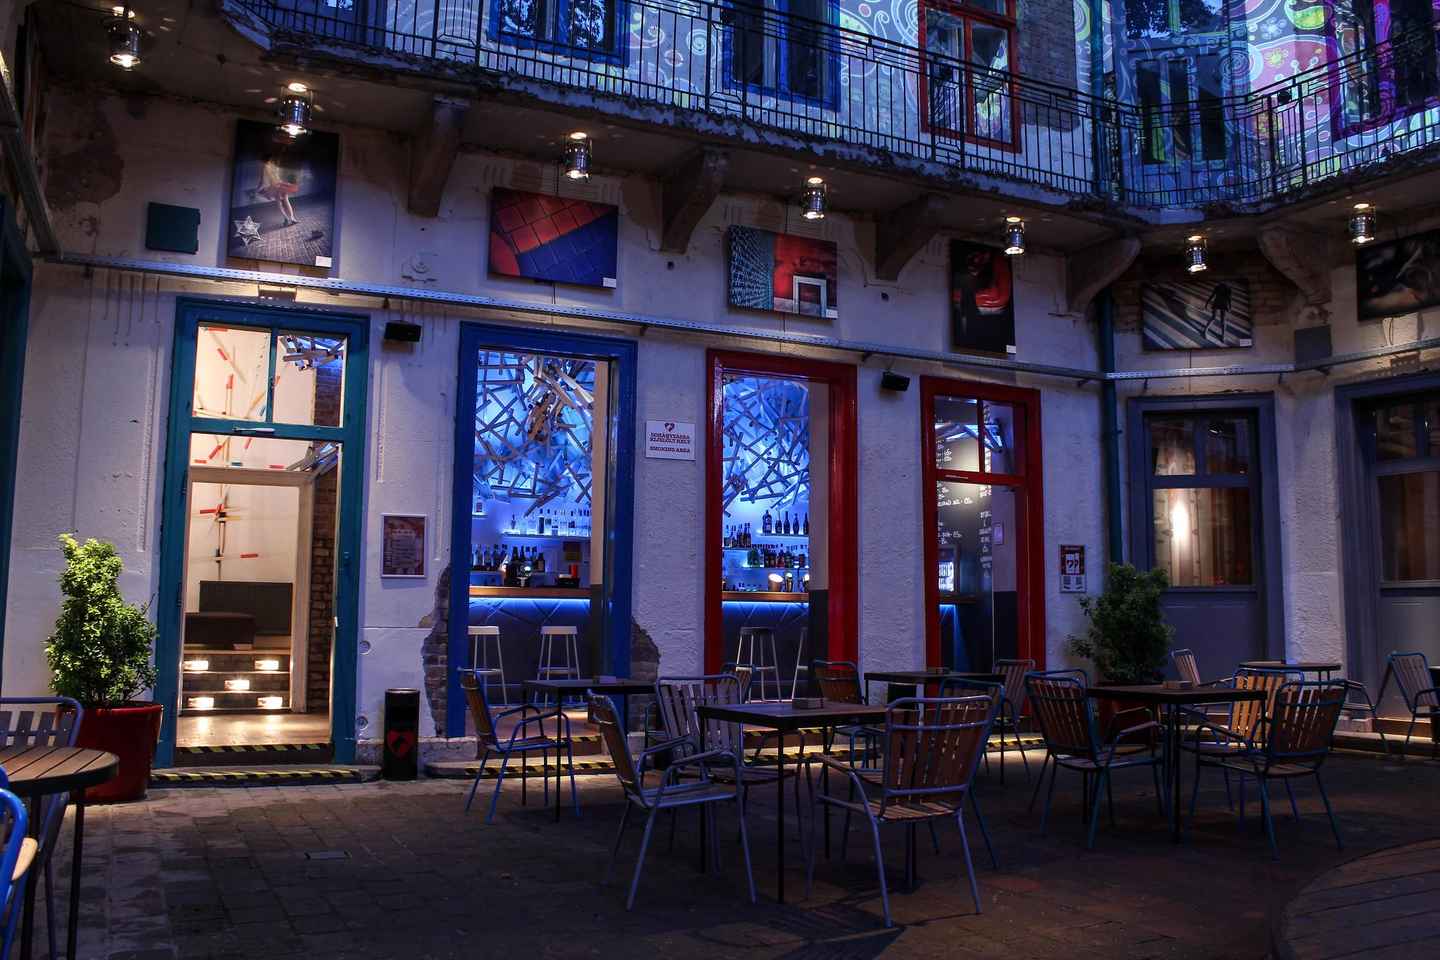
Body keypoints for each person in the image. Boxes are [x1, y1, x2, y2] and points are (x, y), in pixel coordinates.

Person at [253, 153, 300, 227]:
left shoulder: (266, 167)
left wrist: (257, 189)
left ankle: (287, 218)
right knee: (285, 200)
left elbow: (262, 181)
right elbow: (276, 177)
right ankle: (291, 218)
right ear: (270, 159)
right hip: (279, 184)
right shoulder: (273, 165)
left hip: (275, 186)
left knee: (279, 203)